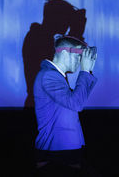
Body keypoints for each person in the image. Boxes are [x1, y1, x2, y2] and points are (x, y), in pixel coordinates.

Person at [33, 35, 97, 176]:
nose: (80, 61)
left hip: (62, 149)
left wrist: (88, 72)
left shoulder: (56, 76)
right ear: (63, 53)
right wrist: (85, 72)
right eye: (78, 56)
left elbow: (76, 100)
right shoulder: (49, 75)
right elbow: (76, 103)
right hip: (57, 151)